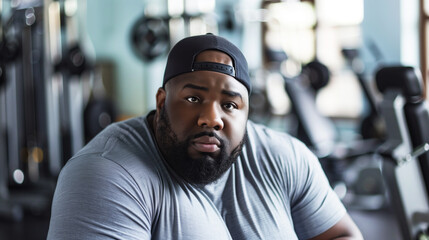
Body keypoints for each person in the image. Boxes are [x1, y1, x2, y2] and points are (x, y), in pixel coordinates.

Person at [47, 33, 363, 240]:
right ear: (161, 102)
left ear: (247, 113)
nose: (212, 118)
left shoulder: (286, 157)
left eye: (230, 105)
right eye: (194, 99)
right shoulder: (105, 174)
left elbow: (342, 235)